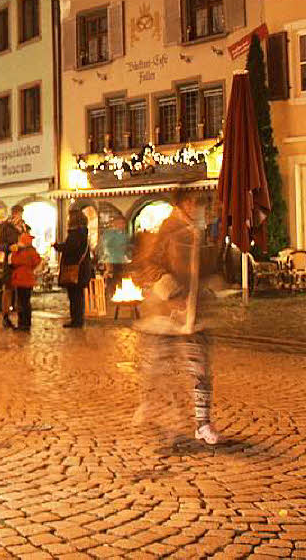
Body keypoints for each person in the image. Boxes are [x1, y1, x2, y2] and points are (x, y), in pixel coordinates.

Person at [133, 189, 218, 445]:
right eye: (192, 202)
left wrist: (211, 285)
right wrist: (170, 290)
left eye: (198, 203)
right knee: (156, 368)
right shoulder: (168, 230)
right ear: (182, 204)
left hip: (194, 314)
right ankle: (147, 404)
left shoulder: (197, 232)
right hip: (167, 315)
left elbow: (202, 267)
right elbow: (149, 264)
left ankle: (203, 424)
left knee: (200, 369)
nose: (197, 207)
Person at [55, 208, 92, 328]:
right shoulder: (83, 233)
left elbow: (70, 248)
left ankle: (76, 320)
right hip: (82, 269)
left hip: (75, 269)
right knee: (78, 296)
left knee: (75, 296)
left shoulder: (75, 234)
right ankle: (78, 319)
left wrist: (58, 246)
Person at [0, 205, 29, 329]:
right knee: (8, 289)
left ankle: (22, 318)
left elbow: (29, 241)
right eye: (17, 213)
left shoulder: (25, 227)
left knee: (22, 290)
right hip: (10, 262)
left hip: (23, 263)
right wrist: (9, 247)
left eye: (20, 213)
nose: (18, 216)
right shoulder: (5, 227)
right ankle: (6, 316)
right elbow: (0, 245)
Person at [9, 232, 41, 332]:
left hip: (20, 280)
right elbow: (37, 262)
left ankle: (22, 323)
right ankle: (26, 323)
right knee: (26, 302)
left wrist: (14, 252)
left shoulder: (19, 252)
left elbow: (14, 262)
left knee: (21, 303)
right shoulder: (32, 251)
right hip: (29, 279)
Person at [100, 215, 131, 301]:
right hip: (111, 259)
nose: (122, 225)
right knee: (111, 278)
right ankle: (110, 295)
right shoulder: (109, 233)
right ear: (115, 224)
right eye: (120, 223)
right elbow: (105, 246)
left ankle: (119, 294)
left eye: (123, 223)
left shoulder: (125, 234)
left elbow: (126, 246)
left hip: (122, 260)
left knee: (121, 278)